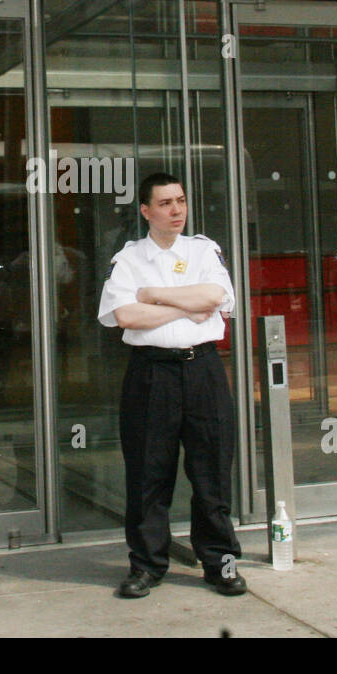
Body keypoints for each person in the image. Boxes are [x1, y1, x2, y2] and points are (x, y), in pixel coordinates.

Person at [97, 172, 246, 598]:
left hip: (204, 371)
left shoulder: (203, 250)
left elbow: (216, 298)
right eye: (165, 203)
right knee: (148, 474)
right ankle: (146, 567)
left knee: (212, 473)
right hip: (151, 374)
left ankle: (221, 565)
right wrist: (184, 306)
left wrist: (155, 297)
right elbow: (125, 317)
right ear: (145, 211)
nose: (176, 210)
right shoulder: (128, 259)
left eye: (180, 201)